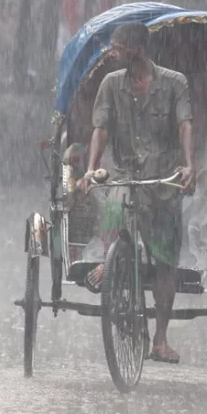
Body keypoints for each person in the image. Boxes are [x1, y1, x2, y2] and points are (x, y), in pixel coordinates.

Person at [77, 22, 195, 364]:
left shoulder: (174, 83)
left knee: (165, 263)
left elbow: (184, 124)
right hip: (126, 174)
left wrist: (188, 165)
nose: (111, 53)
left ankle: (159, 340)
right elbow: (100, 128)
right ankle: (109, 260)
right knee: (115, 204)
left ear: (137, 50)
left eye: (117, 48)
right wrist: (91, 168)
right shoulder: (111, 84)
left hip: (162, 180)